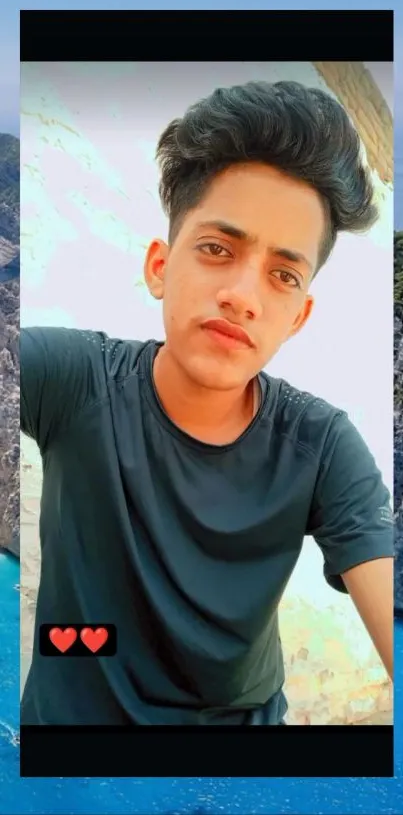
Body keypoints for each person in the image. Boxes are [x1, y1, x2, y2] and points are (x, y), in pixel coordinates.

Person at [20, 80, 394, 726]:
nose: (243, 296)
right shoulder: (74, 379)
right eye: (218, 249)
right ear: (160, 265)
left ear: (298, 315)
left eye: (282, 274)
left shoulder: (322, 445)